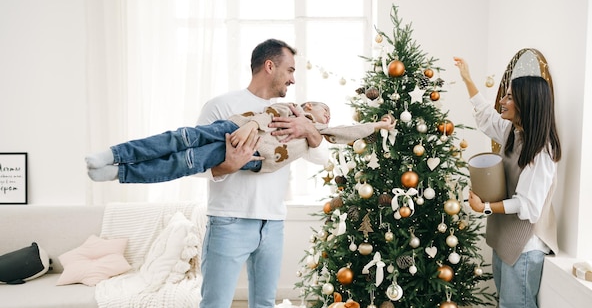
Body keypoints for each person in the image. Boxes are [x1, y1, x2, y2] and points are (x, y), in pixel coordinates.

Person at [184, 39, 327, 308]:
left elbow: (322, 158)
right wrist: (229, 164)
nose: (293, 79)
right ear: (269, 66)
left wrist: (306, 129)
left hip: (273, 222)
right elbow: (199, 163)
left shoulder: (292, 111)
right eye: (290, 70)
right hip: (229, 221)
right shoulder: (221, 107)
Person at [454, 57, 561, 308]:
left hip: (526, 247)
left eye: (510, 97)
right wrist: (468, 79)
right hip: (507, 239)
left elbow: (529, 208)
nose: (503, 100)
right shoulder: (515, 134)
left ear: (527, 104)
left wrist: (484, 206)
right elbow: (485, 116)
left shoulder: (541, 153)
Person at [85, 102, 396, 183]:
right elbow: (266, 113)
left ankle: (118, 172)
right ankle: (113, 154)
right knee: (178, 140)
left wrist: (380, 125)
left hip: (251, 158)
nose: (327, 116)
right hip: (231, 129)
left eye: (330, 115)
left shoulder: (320, 138)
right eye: (323, 109)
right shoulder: (290, 108)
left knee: (184, 162)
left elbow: (349, 132)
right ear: (309, 105)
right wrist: (252, 124)